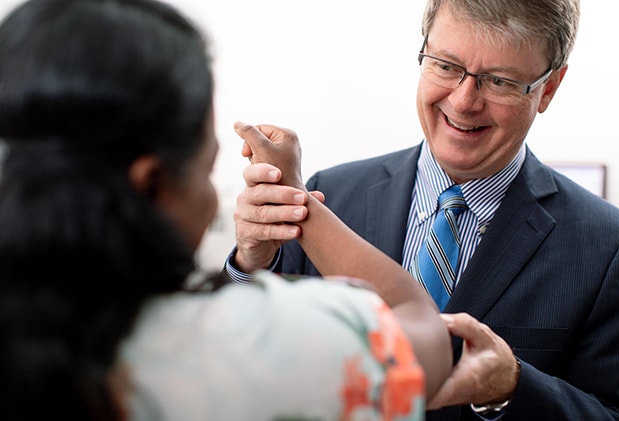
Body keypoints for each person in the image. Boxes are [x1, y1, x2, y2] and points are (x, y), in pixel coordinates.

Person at [0, 0, 454, 420]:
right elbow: (423, 328)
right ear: (153, 185)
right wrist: (296, 201)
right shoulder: (257, 345)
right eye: (205, 169)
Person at [227, 0, 619, 419]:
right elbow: (247, 357)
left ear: (548, 88)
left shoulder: (611, 250)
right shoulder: (330, 194)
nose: (463, 101)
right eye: (445, 66)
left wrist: (510, 386)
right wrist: (251, 263)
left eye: (499, 81)